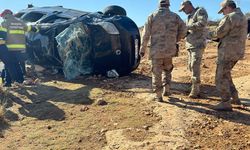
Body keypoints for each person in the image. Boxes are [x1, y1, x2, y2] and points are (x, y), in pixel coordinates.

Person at [140, 0, 187, 102]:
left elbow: (145, 34)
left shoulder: (152, 16)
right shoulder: (175, 16)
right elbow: (184, 30)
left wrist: (142, 49)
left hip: (156, 50)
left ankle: (158, 95)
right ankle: (167, 89)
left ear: (159, 5)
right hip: (170, 50)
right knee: (167, 70)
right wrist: (175, 39)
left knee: (156, 73)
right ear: (168, 5)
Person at [208, 0, 248, 111]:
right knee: (226, 74)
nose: (223, 13)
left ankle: (225, 102)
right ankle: (235, 97)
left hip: (227, 52)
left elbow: (219, 33)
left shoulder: (230, 17)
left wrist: (207, 34)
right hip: (237, 52)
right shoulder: (242, 16)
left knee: (220, 77)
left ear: (227, 7)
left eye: (223, 11)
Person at [0, 9, 38, 86]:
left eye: (3, 16)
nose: (3, 18)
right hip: (20, 48)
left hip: (9, 48)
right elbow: (33, 29)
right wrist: (37, 28)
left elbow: (2, 36)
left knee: (9, 64)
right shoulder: (21, 23)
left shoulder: (4, 23)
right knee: (15, 64)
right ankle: (14, 81)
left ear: (5, 15)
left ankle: (12, 82)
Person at [179, 0, 208, 98]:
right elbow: (189, 30)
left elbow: (202, 23)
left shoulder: (200, 11)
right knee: (191, 67)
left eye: (184, 9)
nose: (183, 11)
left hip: (198, 44)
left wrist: (186, 27)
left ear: (189, 5)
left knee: (195, 66)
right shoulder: (188, 17)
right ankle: (194, 86)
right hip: (190, 45)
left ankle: (195, 90)